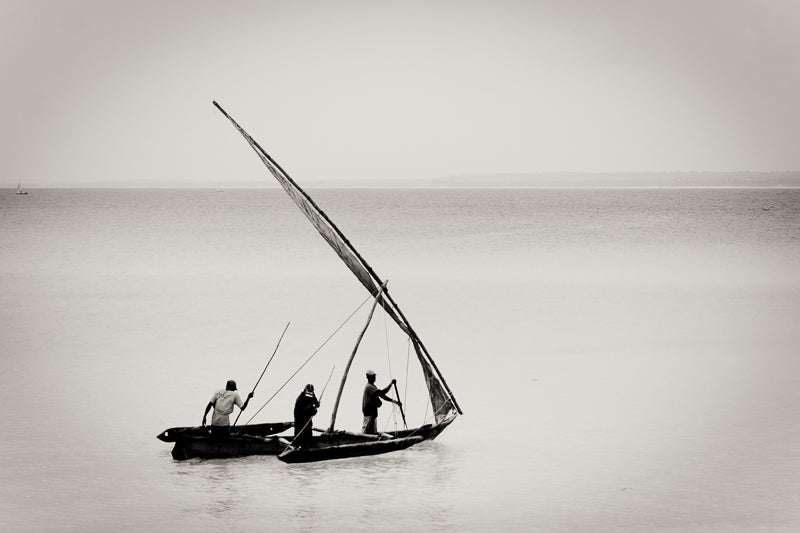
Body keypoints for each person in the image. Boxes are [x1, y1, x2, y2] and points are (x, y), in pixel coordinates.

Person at [362, 369, 401, 435]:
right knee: (365, 433)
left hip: (373, 414)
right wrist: (391, 384)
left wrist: (395, 401)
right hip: (369, 415)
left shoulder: (373, 387)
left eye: (374, 376)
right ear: (368, 377)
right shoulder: (369, 387)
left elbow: (382, 396)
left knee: (373, 433)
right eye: (373, 376)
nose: (374, 378)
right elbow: (382, 392)